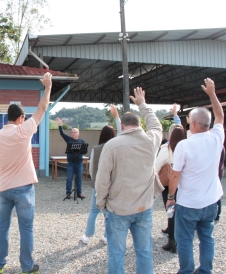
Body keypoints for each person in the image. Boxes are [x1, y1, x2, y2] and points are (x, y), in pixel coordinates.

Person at [0, 72, 52, 274]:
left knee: (2, 227)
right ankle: (27, 267)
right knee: (26, 228)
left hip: (3, 188)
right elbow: (42, 108)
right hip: (24, 187)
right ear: (20, 118)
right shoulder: (23, 131)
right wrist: (48, 86)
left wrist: (6, 171)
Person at [95, 87, 163, 274]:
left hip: (118, 208)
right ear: (140, 124)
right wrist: (142, 104)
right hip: (144, 207)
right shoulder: (151, 141)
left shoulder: (112, 145)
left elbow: (102, 180)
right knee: (144, 252)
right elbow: (156, 126)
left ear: (122, 126)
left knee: (116, 253)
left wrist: (101, 203)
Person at [166, 78, 224, 274]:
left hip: (188, 202)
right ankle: (205, 270)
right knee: (207, 237)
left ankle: (186, 271)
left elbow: (175, 176)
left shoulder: (185, 145)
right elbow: (220, 115)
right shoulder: (217, 138)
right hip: (210, 201)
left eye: (190, 120)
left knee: (185, 240)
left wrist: (171, 197)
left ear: (196, 124)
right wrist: (212, 94)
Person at [82, 105, 121, 245]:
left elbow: (92, 169)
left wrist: (95, 181)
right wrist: (116, 116)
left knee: (94, 211)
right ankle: (106, 236)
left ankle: (87, 236)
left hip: (98, 184)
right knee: (108, 212)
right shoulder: (117, 147)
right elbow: (122, 132)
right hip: (113, 184)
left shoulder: (96, 149)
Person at [155, 125, 186, 253]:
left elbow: (156, 166)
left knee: (171, 212)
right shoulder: (188, 147)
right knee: (182, 213)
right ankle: (181, 239)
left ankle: (172, 241)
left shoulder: (167, 149)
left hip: (169, 186)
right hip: (185, 185)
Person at [55, 117, 86, 199]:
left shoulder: (82, 141)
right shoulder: (68, 139)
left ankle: (79, 193)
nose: (72, 134)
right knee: (69, 178)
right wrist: (60, 125)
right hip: (71, 163)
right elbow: (62, 134)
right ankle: (68, 193)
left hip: (79, 162)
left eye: (74, 132)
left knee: (79, 179)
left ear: (78, 133)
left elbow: (84, 151)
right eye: (72, 132)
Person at [215, 146, 225, 222]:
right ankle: (217, 214)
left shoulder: (219, 146)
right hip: (219, 172)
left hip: (217, 172)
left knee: (216, 193)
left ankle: (217, 214)